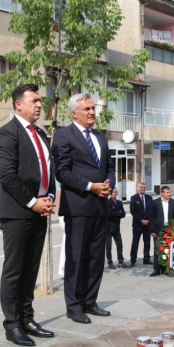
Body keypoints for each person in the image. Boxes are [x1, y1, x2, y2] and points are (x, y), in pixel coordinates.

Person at [0, 84, 56, 347]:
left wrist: (49, 196)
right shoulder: (7, 133)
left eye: (40, 100)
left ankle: (27, 318)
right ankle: (12, 325)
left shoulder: (40, 133)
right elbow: (7, 176)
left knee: (31, 268)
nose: (39, 105)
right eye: (34, 100)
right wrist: (33, 202)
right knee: (15, 269)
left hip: (39, 210)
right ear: (18, 104)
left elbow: (47, 168)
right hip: (18, 212)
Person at [52, 92, 115, 325]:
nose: (92, 112)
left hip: (100, 206)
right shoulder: (63, 136)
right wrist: (91, 187)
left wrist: (109, 184)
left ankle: (90, 300)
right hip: (78, 207)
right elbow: (63, 172)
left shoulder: (99, 136)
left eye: (93, 108)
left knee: (96, 258)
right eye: (87, 109)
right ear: (74, 113)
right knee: (76, 257)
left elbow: (109, 166)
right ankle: (74, 305)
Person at [149, 185, 174, 276]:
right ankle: (156, 269)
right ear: (162, 193)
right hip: (158, 229)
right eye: (167, 192)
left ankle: (165, 268)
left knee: (167, 249)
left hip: (169, 230)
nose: (169, 194)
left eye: (170, 192)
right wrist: (152, 230)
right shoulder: (155, 202)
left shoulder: (173, 203)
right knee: (157, 249)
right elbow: (151, 217)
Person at [129, 183, 153, 267]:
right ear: (138, 189)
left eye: (144, 187)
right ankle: (133, 260)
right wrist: (141, 220)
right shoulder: (134, 198)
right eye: (141, 187)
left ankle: (146, 258)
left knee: (147, 242)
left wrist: (148, 220)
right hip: (138, 225)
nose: (143, 189)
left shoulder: (149, 198)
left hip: (147, 224)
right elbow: (133, 211)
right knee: (135, 242)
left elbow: (151, 210)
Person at [106, 188, 127, 269]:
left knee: (119, 244)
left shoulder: (119, 203)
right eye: (113, 192)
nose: (114, 193)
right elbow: (109, 213)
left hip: (116, 228)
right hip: (108, 228)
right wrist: (118, 213)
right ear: (110, 193)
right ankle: (110, 262)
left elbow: (124, 214)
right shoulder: (107, 202)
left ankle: (121, 261)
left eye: (116, 192)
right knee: (108, 246)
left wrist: (117, 213)